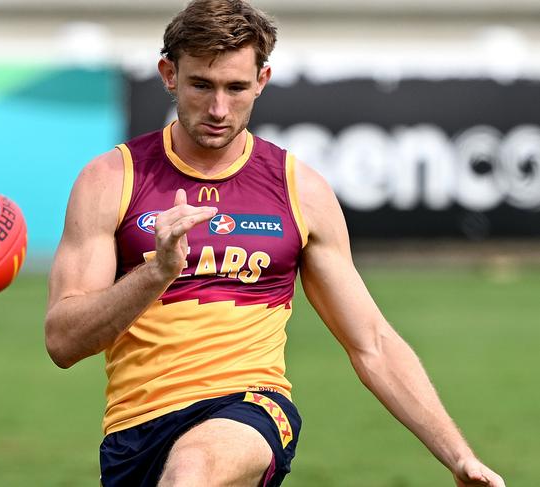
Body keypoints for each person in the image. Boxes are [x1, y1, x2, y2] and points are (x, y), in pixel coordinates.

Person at [44, 1, 506, 486]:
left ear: (261, 81)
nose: (219, 108)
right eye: (201, 84)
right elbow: (63, 341)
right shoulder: (110, 180)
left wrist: (459, 457)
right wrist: (156, 273)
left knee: (191, 474)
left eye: (236, 87)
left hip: (250, 410)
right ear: (169, 74)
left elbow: (371, 341)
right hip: (134, 436)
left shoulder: (298, 188)